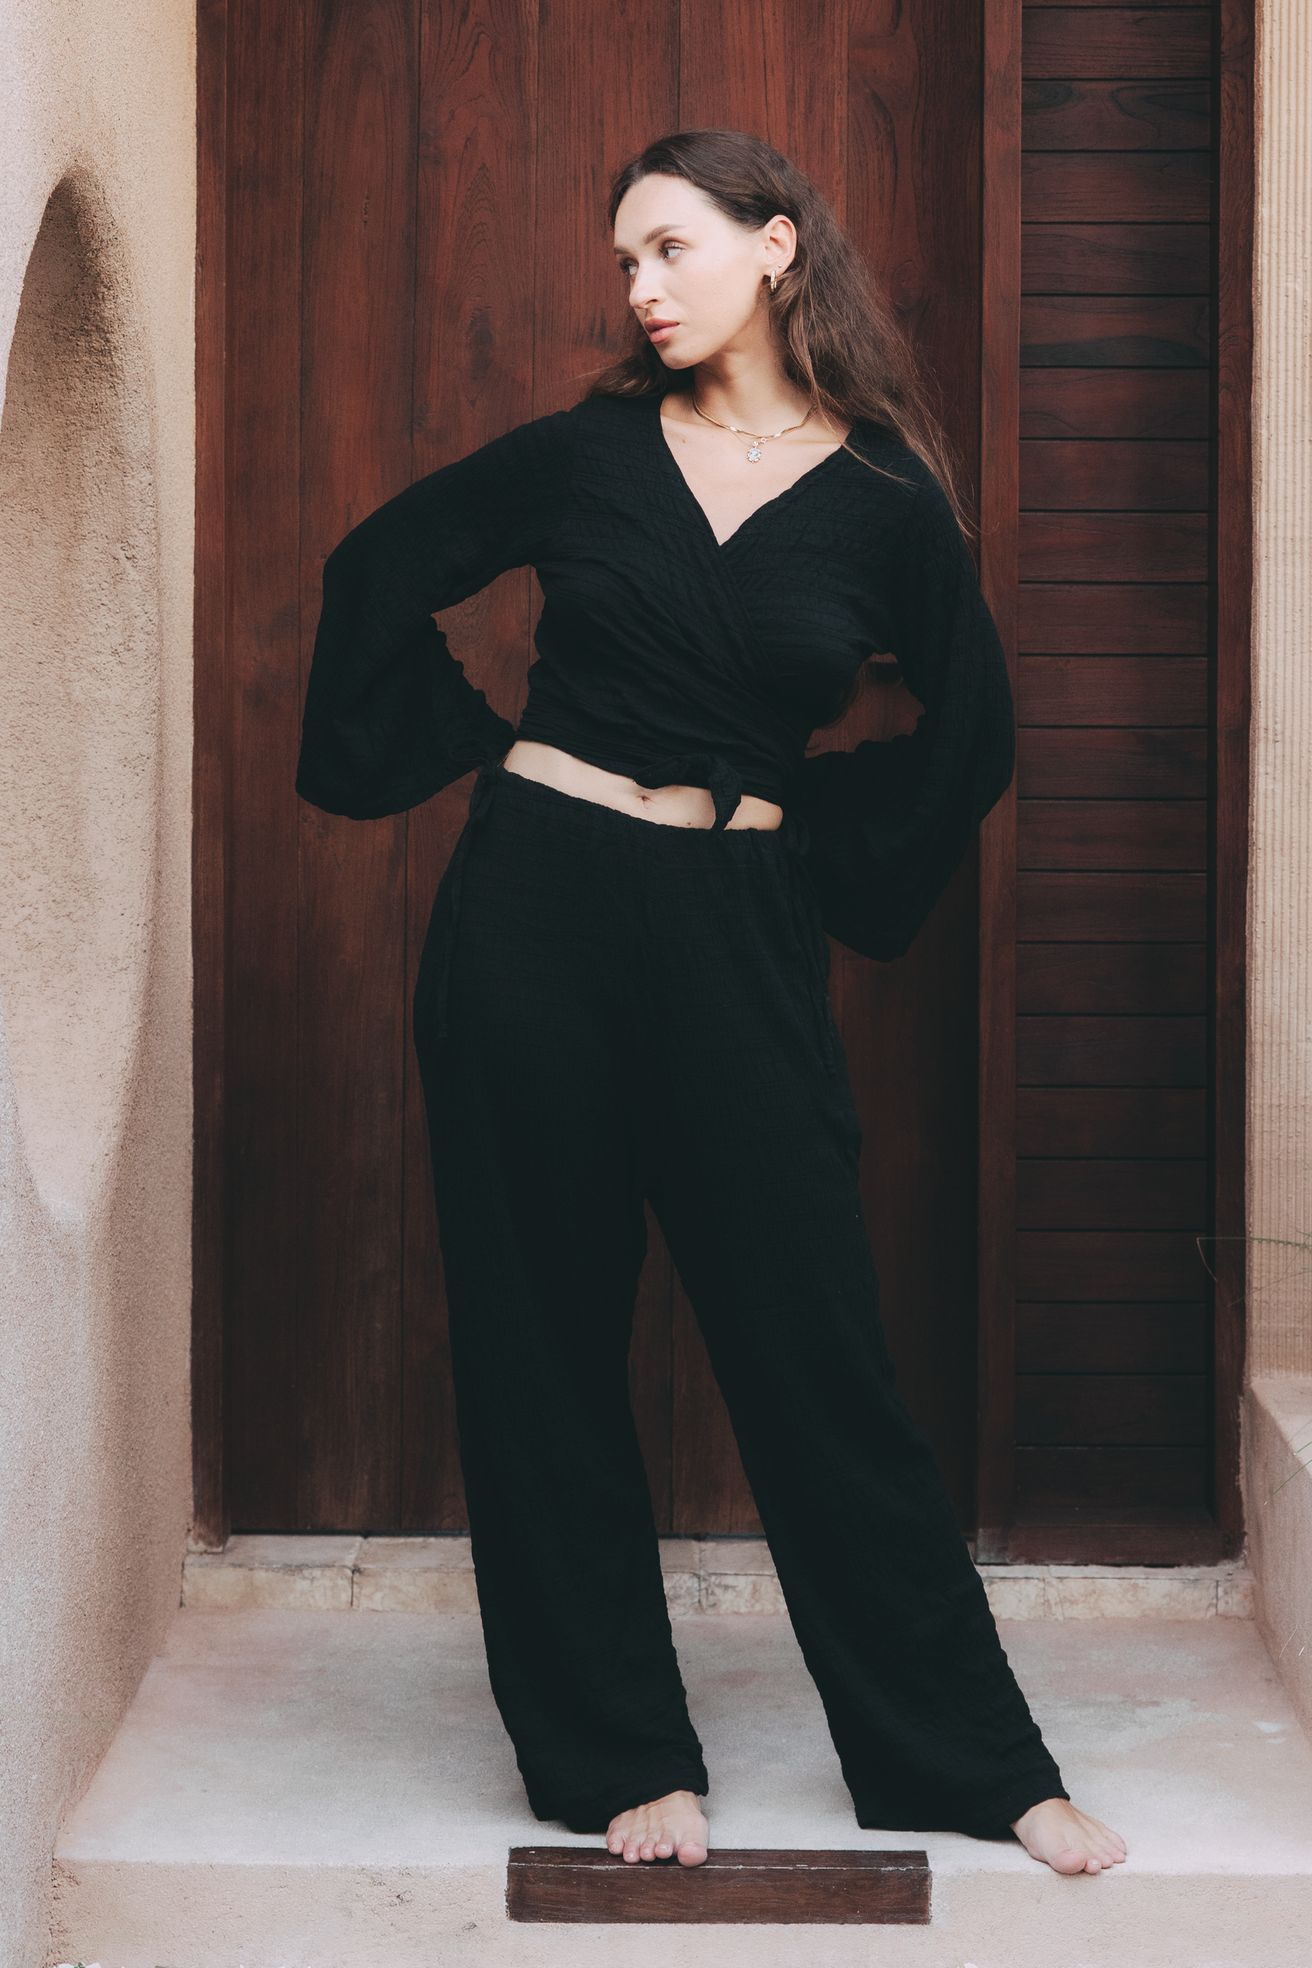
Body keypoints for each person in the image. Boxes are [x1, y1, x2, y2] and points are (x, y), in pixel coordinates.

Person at [295, 129, 1128, 1880]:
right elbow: (374, 568)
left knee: (815, 1343)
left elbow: (969, 734)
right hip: (535, 917)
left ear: (776, 246)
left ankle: (969, 1758)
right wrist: (487, 752)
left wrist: (806, 841)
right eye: (625, 263)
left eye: (669, 247)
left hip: (734, 931)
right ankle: (613, 1750)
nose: (641, 288)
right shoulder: (590, 454)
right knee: (540, 1340)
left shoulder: (886, 502)